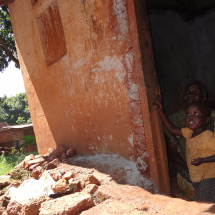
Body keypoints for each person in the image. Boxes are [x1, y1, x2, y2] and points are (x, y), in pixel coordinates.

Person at [156, 100, 215, 202]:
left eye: (196, 114)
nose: (191, 117)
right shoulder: (189, 133)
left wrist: (203, 160)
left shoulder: (208, 136)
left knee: (203, 203)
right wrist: (162, 113)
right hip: (196, 177)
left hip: (208, 178)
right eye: (188, 114)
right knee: (205, 201)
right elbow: (173, 129)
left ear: (207, 119)